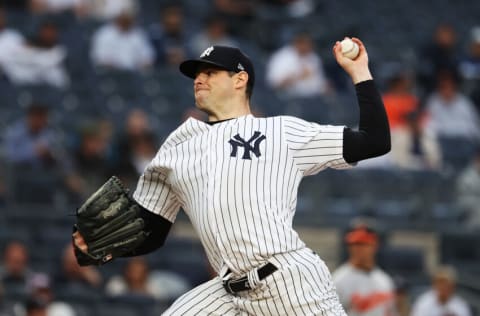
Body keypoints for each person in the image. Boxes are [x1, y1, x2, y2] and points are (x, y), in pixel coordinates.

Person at [74, 38, 390, 315]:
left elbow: (374, 141)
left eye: (210, 72)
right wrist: (102, 247)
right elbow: (150, 230)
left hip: (290, 284)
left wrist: (360, 72)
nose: (199, 79)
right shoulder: (177, 146)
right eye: (196, 73)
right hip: (227, 292)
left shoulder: (281, 131)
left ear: (240, 79)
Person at [332, 225, 397, 316]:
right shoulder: (339, 279)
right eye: (353, 244)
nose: (357, 249)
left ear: (374, 246)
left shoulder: (384, 279)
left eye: (363, 244)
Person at [266, 32, 331, 98]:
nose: (308, 47)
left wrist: (325, 87)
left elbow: (319, 83)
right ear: (298, 43)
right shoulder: (282, 57)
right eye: (305, 43)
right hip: (287, 99)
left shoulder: (314, 58)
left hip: (312, 99)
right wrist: (298, 76)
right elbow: (275, 85)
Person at [90, 6, 155, 71]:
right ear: (118, 17)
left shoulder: (139, 34)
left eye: (128, 16)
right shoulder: (104, 34)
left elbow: (148, 57)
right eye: (123, 16)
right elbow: (99, 58)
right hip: (111, 74)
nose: (125, 19)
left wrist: (143, 65)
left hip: (134, 74)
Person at [105, 257, 190, 301]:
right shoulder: (116, 283)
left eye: (139, 270)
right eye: (133, 270)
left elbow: (158, 301)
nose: (135, 273)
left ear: (146, 272)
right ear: (126, 271)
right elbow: (112, 298)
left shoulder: (154, 285)